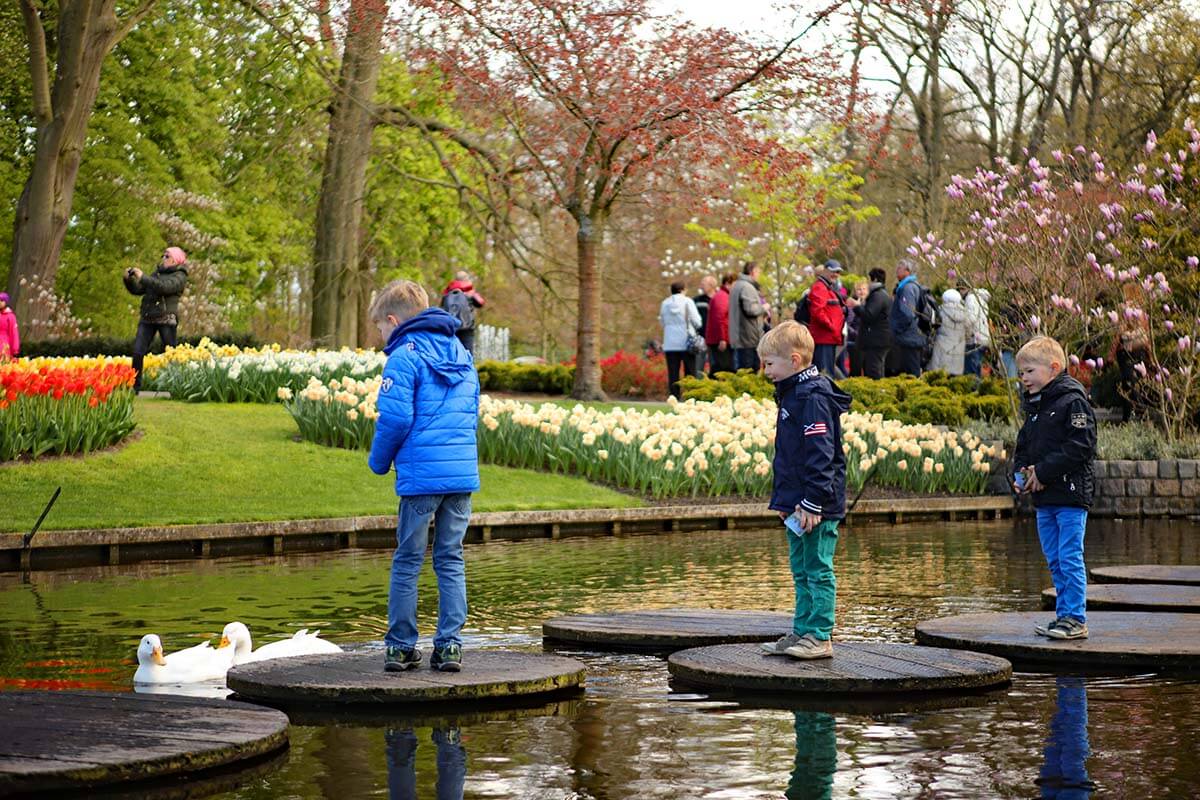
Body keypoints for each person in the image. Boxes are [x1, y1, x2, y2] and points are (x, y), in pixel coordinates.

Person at [368, 279, 480, 673]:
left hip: (421, 479)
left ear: (394, 320)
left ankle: (400, 646)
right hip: (461, 477)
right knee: (451, 558)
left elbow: (396, 418)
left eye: (380, 328)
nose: (381, 336)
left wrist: (379, 462)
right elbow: (470, 414)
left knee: (408, 560)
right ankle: (449, 646)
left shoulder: (403, 356)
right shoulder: (462, 354)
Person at [757, 321, 852, 660]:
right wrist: (785, 502)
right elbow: (789, 456)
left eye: (769, 364)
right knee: (800, 570)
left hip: (817, 506)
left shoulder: (812, 398)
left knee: (818, 568)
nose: (764, 371)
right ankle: (802, 630)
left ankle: (821, 635)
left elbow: (821, 455)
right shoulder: (792, 395)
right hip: (796, 505)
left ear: (794, 361)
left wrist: (812, 503)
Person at [1013, 336, 1097, 641]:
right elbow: (1024, 446)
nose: (1023, 379)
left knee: (1070, 555)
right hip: (1044, 499)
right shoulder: (1034, 407)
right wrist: (1020, 474)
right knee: (1054, 558)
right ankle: (1063, 615)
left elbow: (1081, 445)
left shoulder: (1072, 400)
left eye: (1029, 372)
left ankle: (1076, 617)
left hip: (1070, 495)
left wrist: (1044, 471)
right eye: (1021, 373)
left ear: (1053, 368)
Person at [123, 246, 189, 390]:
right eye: (163, 256)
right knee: (138, 352)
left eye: (167, 256)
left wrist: (143, 277)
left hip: (166, 318)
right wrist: (128, 280)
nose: (163, 259)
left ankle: (176, 386)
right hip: (148, 318)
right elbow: (138, 290)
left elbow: (164, 287)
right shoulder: (156, 274)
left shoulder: (180, 275)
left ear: (175, 260)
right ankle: (134, 387)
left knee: (171, 354)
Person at [659, 281, 703, 400]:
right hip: (686, 343)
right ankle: (690, 396)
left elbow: (662, 321)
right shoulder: (688, 302)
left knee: (673, 372)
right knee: (690, 371)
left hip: (670, 343)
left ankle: (674, 397)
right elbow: (697, 321)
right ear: (683, 290)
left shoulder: (665, 303)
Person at [807, 259, 846, 376]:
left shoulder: (828, 287)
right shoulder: (820, 287)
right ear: (825, 271)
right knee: (824, 374)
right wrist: (831, 326)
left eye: (838, 272)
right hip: (824, 338)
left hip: (829, 337)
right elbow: (817, 311)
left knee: (828, 372)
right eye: (833, 271)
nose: (836, 274)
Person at [729, 262, 768, 371]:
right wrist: (764, 307)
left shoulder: (737, 285)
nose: (759, 275)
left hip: (740, 337)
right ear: (753, 271)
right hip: (748, 338)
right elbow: (750, 309)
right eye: (758, 272)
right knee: (749, 373)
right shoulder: (747, 287)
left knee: (742, 372)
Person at [889, 258, 926, 376]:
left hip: (908, 338)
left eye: (899, 268)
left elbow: (908, 314)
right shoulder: (910, 286)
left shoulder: (907, 288)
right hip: (910, 337)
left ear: (907, 271)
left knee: (911, 373)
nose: (896, 270)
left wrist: (897, 330)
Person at [440, 271, 486, 356]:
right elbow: (481, 303)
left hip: (451, 327)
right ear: (466, 279)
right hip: (467, 327)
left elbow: (442, 308)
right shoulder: (470, 292)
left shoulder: (447, 293)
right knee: (468, 353)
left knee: (452, 353)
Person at [857, 269, 892, 379]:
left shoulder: (877, 296)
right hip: (879, 339)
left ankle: (877, 392)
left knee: (873, 369)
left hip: (876, 340)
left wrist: (857, 307)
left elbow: (869, 315)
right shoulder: (882, 294)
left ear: (875, 279)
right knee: (876, 367)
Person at [927, 288, 967, 374]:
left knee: (940, 374)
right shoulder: (965, 313)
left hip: (942, 348)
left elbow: (933, 325)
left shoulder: (940, 311)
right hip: (958, 349)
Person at [705, 273, 736, 375]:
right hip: (720, 340)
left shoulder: (723, 296)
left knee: (721, 369)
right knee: (723, 369)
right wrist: (722, 339)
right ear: (728, 283)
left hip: (720, 339)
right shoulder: (722, 297)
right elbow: (720, 319)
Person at [841, 279, 869, 377]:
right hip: (854, 342)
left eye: (864, 289)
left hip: (867, 342)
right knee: (855, 370)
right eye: (859, 289)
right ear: (855, 291)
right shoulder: (851, 306)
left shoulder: (870, 305)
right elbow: (847, 324)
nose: (862, 291)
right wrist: (856, 334)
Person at [691, 275, 717, 377]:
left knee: (715, 367)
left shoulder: (719, 299)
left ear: (712, 285)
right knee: (698, 369)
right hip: (700, 339)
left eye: (704, 284)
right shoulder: (696, 301)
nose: (701, 286)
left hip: (715, 340)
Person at [963, 287, 991, 377]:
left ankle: (975, 390)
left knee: (971, 371)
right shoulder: (980, 298)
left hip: (974, 339)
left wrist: (964, 333)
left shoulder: (970, 298)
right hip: (983, 338)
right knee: (977, 368)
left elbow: (971, 318)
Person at [0, 292, 19, 360]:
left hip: (4, 344)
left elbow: (14, 333)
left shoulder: (10, 316)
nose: (0, 302)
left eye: (2, 300)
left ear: (6, 302)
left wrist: (15, 348)